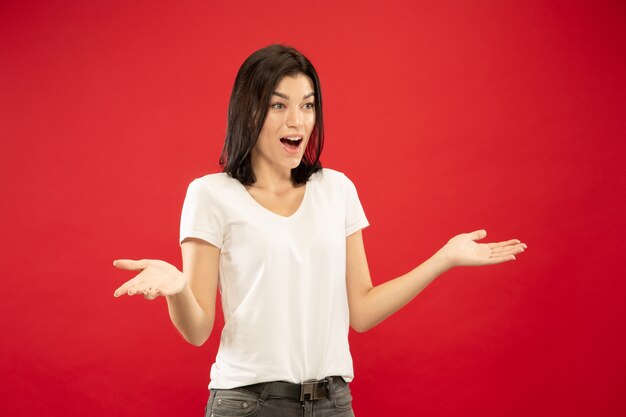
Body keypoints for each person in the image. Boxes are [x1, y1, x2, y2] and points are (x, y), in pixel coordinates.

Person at [113, 44, 527, 417]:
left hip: (333, 403)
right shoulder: (210, 194)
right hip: (249, 404)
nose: (296, 120)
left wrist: (444, 259)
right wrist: (178, 288)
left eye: (307, 106)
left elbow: (361, 312)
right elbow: (197, 331)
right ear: (248, 110)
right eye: (278, 106)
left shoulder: (337, 190)